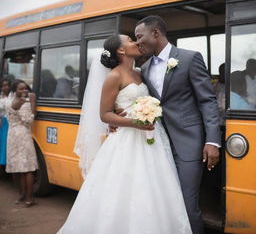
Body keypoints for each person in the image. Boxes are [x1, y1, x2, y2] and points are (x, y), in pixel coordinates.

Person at [57, 35, 192, 233]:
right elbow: (104, 114)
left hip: (151, 138)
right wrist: (135, 122)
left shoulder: (139, 72)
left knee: (155, 187)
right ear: (120, 50)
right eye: (130, 39)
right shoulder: (114, 76)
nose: (136, 42)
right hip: (127, 140)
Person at [134, 15, 221, 234]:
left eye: (139, 36)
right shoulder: (143, 69)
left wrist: (212, 140)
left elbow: (207, 100)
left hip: (189, 144)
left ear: (155, 33)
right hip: (158, 145)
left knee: (187, 204)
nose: (137, 42)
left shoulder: (190, 58)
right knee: (166, 203)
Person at [5, 79, 38, 207]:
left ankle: (22, 195)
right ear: (15, 90)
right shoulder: (23, 103)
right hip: (23, 135)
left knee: (16, 168)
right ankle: (30, 198)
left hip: (12, 135)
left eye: (25, 88)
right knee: (27, 169)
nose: (24, 91)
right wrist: (33, 105)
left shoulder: (9, 101)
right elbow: (28, 121)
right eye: (21, 89)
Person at [0, 78, 12, 171]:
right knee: (2, 145)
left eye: (7, 85)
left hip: (10, 122)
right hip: (2, 122)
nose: (6, 87)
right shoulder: (1, 96)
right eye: (3, 85)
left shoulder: (13, 95)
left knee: (7, 144)